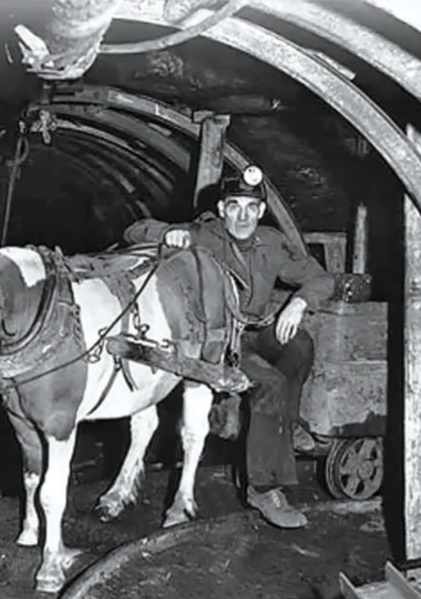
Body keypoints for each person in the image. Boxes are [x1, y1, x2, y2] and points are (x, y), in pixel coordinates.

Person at [123, 165, 335, 529]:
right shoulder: (204, 235)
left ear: (261, 212)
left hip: (257, 328)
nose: (242, 216)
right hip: (224, 338)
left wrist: (299, 303)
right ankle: (263, 488)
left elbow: (319, 277)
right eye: (234, 206)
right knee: (270, 383)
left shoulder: (269, 241)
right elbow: (133, 231)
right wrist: (168, 233)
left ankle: (280, 423)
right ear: (222, 210)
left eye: (250, 208)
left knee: (300, 346)